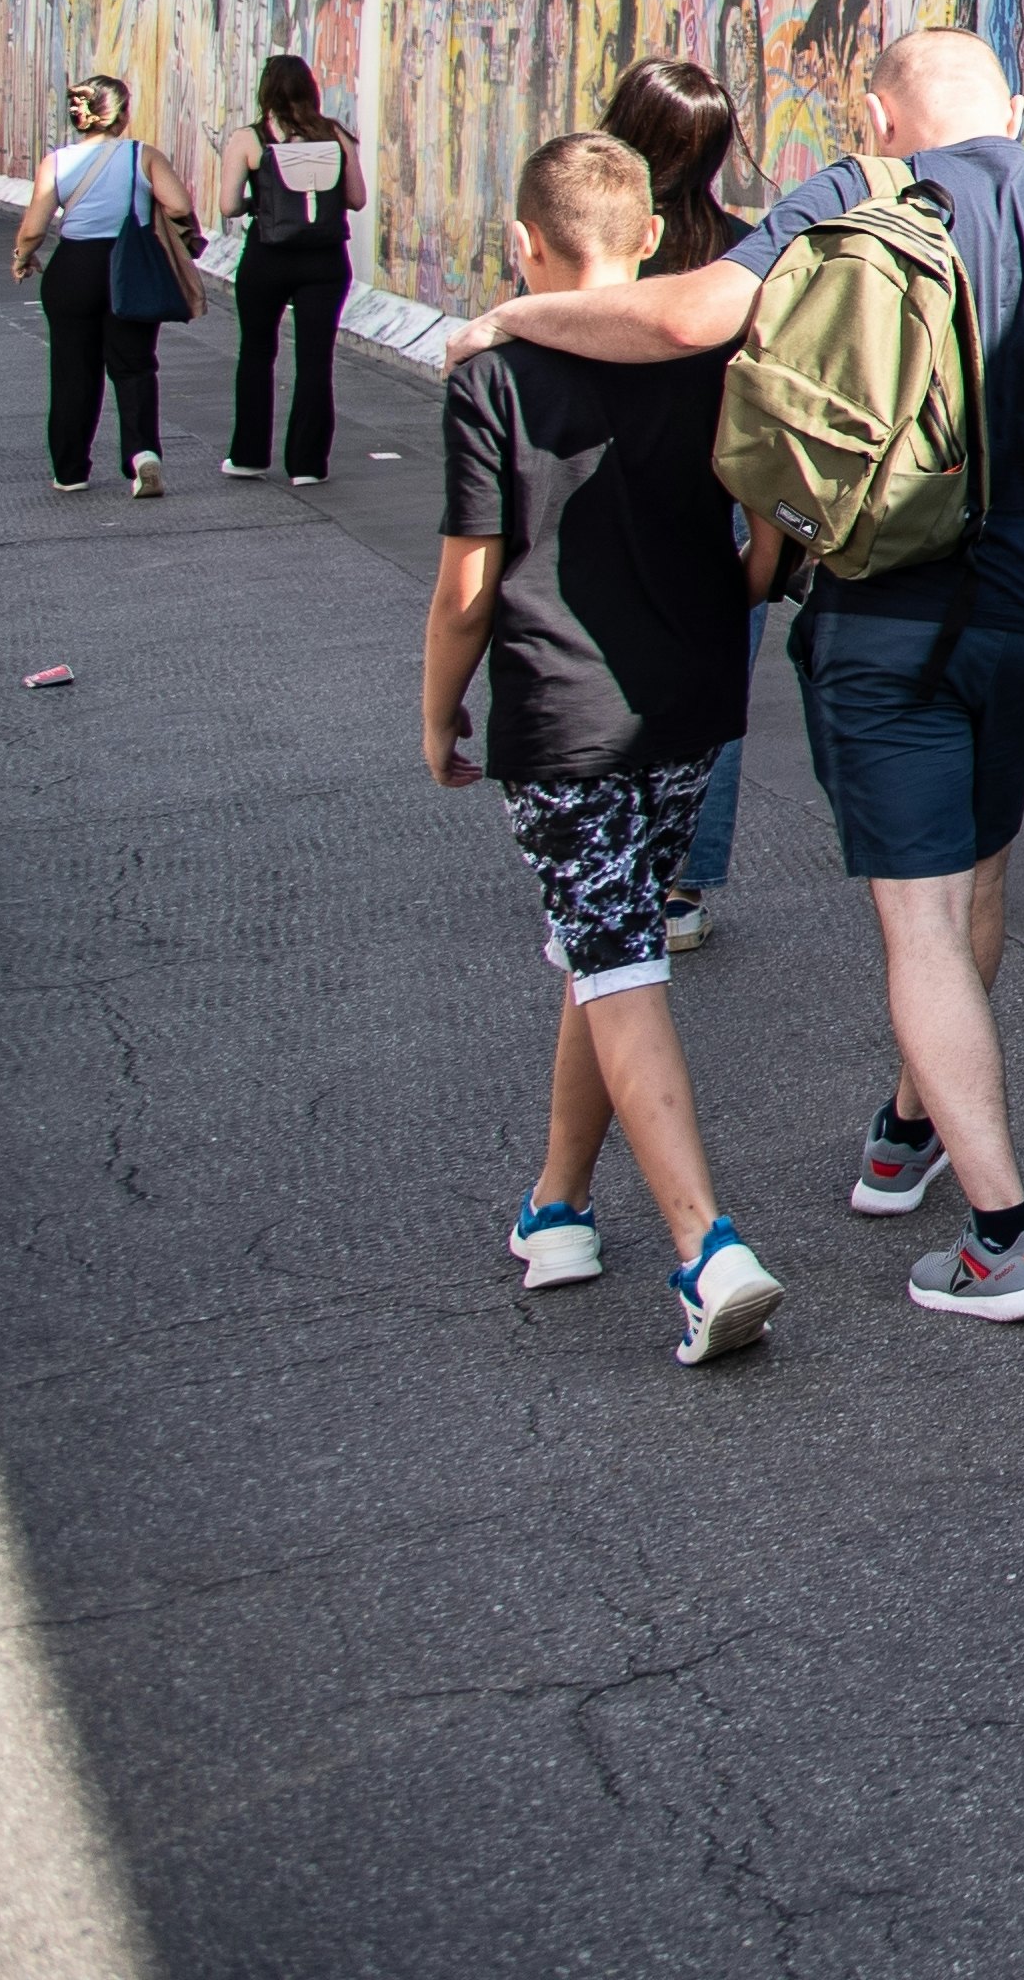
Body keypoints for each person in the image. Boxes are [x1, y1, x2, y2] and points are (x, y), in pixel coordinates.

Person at [457, 27, 1024, 1327]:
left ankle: (1007, 1236)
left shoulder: (854, 194)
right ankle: (913, 1123)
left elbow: (695, 314)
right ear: (1013, 106)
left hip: (883, 610)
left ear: (881, 110)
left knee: (917, 915)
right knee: (975, 872)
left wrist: (519, 314)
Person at [420, 133, 783, 1368]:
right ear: (647, 239)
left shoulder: (493, 373)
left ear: (524, 245)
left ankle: (705, 1245)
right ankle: (559, 1205)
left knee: (617, 952)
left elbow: (470, 584)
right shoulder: (705, 353)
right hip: (688, 696)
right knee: (607, 933)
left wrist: (437, 709)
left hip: (562, 710)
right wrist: (742, 587)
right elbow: (766, 521)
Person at [599, 57, 756, 950]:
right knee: (714, 688)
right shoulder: (745, 250)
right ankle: (682, 887)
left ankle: (613, 857)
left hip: (610, 488)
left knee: (604, 664)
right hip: (724, 492)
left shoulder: (598, 252)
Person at [9, 74, 193, 498]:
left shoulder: (57, 162)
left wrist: (22, 258)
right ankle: (142, 454)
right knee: (134, 365)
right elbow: (180, 204)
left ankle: (70, 470)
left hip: (73, 268)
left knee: (73, 371)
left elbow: (34, 228)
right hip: (129, 268)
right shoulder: (142, 156)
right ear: (122, 114)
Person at [204, 52, 361, 486]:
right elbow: (357, 198)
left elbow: (229, 206)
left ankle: (249, 456)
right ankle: (308, 465)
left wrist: (264, 201)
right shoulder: (336, 136)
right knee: (315, 360)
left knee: (256, 353)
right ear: (310, 89)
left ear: (266, 92)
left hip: (267, 258)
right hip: (326, 261)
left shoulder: (250, 139)